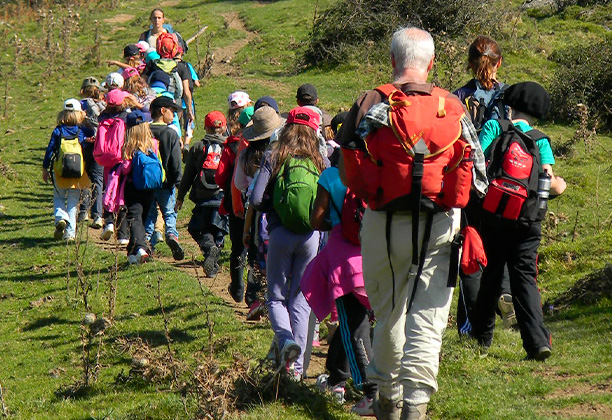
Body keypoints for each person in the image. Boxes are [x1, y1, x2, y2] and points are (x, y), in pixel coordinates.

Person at [337, 26, 488, 420]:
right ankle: (416, 406)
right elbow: (479, 178)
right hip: (440, 223)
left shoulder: (373, 101)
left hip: (383, 223)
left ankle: (387, 398)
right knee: (429, 318)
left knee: (387, 314)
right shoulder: (452, 105)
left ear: (393, 61)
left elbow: (346, 162)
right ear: (431, 63)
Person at [471, 81, 567, 361]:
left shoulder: (494, 127)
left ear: (509, 106)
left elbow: (478, 163)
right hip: (528, 220)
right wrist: (562, 185)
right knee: (525, 279)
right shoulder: (540, 139)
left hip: (494, 214)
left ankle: (480, 340)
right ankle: (537, 343)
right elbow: (551, 182)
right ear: (537, 114)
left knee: (490, 277)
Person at [250, 106, 325, 381]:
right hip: (311, 236)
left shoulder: (274, 154)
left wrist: (277, 207)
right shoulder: (320, 159)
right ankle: (297, 370)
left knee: (275, 298)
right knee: (301, 299)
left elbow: (256, 199)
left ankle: (285, 341)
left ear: (286, 127)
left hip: (279, 234)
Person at [302, 153, 377, 416]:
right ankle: (337, 377)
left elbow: (315, 220)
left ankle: (371, 392)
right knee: (361, 323)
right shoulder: (376, 170)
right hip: (376, 255)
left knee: (352, 327)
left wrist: (337, 223)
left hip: (344, 263)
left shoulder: (331, 176)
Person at [453, 35, 515, 336]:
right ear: (499, 62)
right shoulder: (510, 97)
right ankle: (504, 294)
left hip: (470, 182)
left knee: (470, 245)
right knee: (499, 243)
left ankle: (471, 323)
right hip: (507, 181)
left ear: (469, 63)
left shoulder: (457, 98)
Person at [176, 111, 229, 277]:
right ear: (224, 127)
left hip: (203, 197)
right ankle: (213, 262)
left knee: (197, 228)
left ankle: (209, 250)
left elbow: (188, 175)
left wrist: (180, 197)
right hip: (223, 198)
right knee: (218, 230)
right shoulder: (230, 146)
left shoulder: (198, 147)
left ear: (205, 127)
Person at [215, 106, 254, 303]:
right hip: (260, 205)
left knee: (238, 247)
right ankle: (253, 294)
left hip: (237, 203)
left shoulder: (232, 146)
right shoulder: (272, 145)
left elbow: (220, 176)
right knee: (257, 249)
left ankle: (238, 287)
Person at [42, 99, 90, 241]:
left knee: (59, 197)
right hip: (77, 173)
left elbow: (50, 150)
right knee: (73, 203)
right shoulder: (81, 131)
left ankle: (60, 218)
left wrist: (45, 168)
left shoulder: (58, 131)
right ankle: (70, 234)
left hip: (60, 171)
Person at [145, 96, 184, 260]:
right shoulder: (170, 133)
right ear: (163, 111)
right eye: (172, 111)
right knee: (169, 213)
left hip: (145, 182)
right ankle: (171, 234)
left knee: (149, 215)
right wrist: (178, 182)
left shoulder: (142, 131)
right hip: (165, 182)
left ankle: (146, 244)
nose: (174, 115)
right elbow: (175, 162)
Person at [119, 110, 158, 264]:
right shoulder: (153, 143)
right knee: (142, 218)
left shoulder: (129, 146)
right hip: (150, 187)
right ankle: (132, 253)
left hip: (132, 187)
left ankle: (141, 247)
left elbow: (126, 169)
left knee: (134, 218)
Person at [78, 77, 106, 228]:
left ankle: (83, 212)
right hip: (100, 146)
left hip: (83, 146)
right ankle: (97, 215)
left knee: (84, 178)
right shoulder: (104, 107)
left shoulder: (79, 105)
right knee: (98, 180)